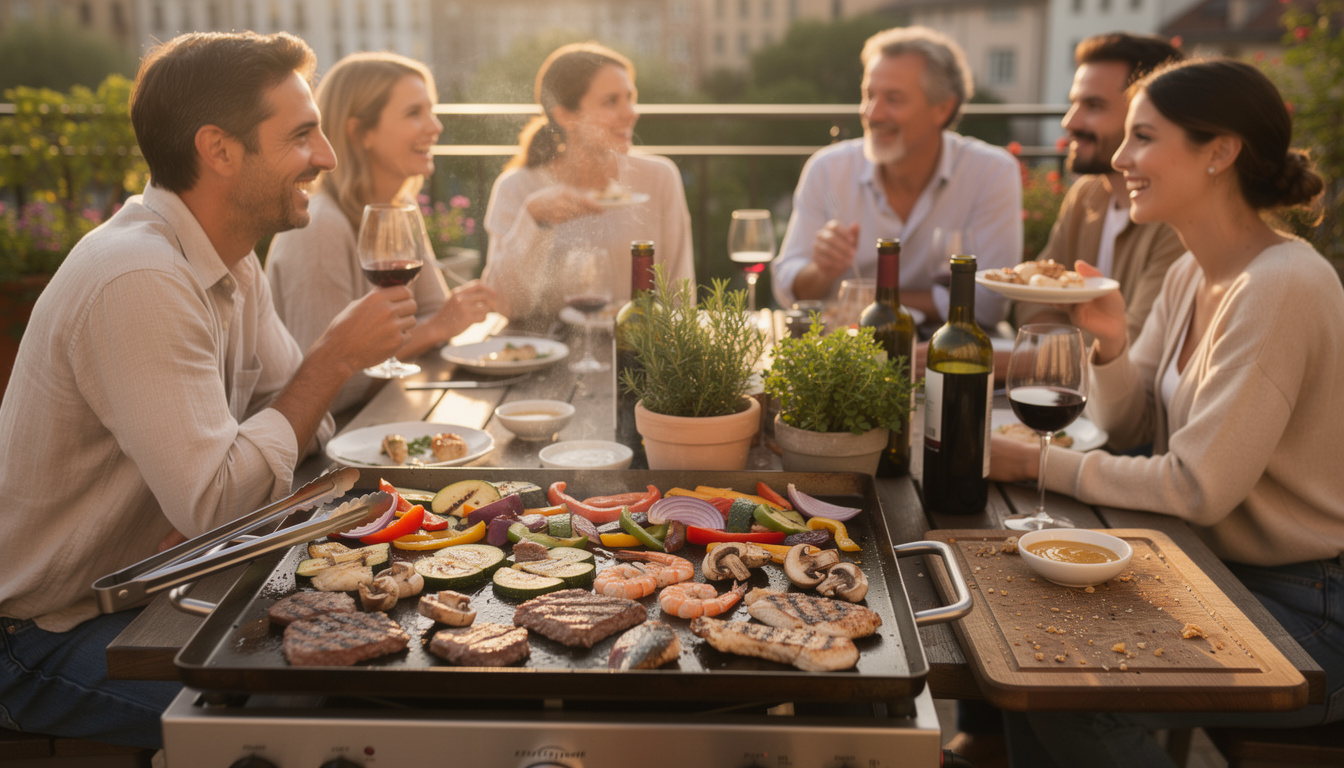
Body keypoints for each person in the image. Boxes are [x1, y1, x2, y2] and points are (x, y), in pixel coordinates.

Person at [0, 32, 415, 748]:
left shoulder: (227, 259)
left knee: (389, 655)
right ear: (219, 151)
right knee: (320, 717)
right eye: (302, 135)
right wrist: (332, 359)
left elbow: (296, 430)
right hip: (37, 636)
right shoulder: (140, 278)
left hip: (144, 586)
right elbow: (224, 493)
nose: (326, 156)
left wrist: (233, 475)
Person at [990, 58, 1344, 768]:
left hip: (1308, 611)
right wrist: (1113, 345)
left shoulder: (1282, 286)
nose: (1120, 158)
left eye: (1143, 138)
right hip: (1213, 572)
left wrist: (1037, 462)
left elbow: (1196, 486)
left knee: (1077, 695)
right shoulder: (1191, 271)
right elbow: (1132, 430)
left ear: (1220, 151)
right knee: (1022, 663)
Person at [268, 52, 497, 413]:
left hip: (385, 415)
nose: (435, 126)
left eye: (431, 110)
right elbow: (327, 390)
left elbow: (434, 313)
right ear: (361, 132)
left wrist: (444, 320)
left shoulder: (396, 207)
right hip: (328, 453)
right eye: (414, 113)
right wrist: (437, 326)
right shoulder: (319, 227)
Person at [771, 25, 1022, 329]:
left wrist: (871, 300)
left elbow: (988, 303)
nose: (873, 114)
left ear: (942, 109)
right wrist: (821, 271)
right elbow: (788, 288)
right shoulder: (827, 169)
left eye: (894, 99)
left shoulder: (991, 173)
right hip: (845, 352)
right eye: (868, 95)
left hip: (942, 350)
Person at [481, 42, 694, 330]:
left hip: (639, 354)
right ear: (565, 116)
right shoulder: (517, 188)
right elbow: (507, 305)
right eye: (611, 101)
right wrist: (534, 219)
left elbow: (681, 295)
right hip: (548, 357)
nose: (630, 112)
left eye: (630, 98)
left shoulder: (659, 178)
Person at [1014, 33, 1186, 343]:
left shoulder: (1177, 218)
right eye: (1074, 104)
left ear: (1145, 114)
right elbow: (1030, 297)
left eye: (1093, 106)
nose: (1070, 121)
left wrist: (1030, 358)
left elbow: (1135, 343)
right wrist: (1058, 354)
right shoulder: (1086, 195)